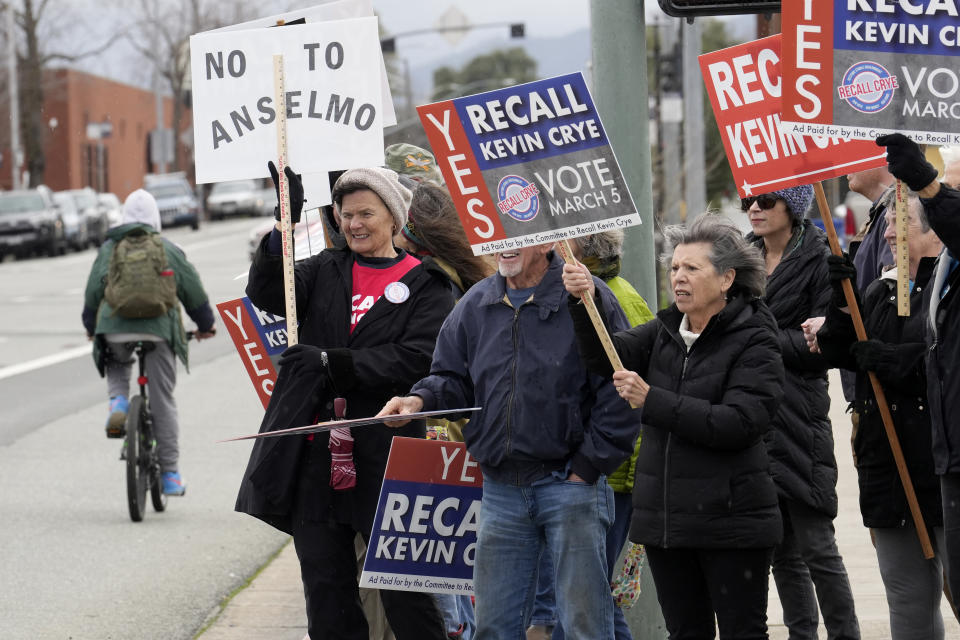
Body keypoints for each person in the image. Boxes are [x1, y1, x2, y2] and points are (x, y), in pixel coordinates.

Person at [234, 164, 455, 640]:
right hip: (318, 458)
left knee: (405, 592)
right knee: (326, 590)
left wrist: (333, 363)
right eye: (346, 213)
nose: (354, 223)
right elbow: (268, 290)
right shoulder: (325, 271)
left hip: (389, 457)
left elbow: (417, 358)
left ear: (394, 219)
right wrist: (283, 221)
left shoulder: (428, 284)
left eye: (366, 214)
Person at [378, 241, 637, 640]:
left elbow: (622, 389)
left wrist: (586, 469)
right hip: (501, 489)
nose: (504, 246)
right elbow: (453, 378)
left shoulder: (587, 296)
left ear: (548, 241)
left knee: (585, 626)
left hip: (570, 486)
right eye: (496, 236)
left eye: (516, 235)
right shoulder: (476, 302)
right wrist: (419, 399)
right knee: (495, 627)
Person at [561, 213, 784, 639]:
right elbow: (605, 357)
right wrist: (582, 300)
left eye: (692, 269)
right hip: (668, 523)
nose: (678, 278)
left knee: (744, 631)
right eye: (674, 268)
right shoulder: (664, 329)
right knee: (685, 632)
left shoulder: (756, 336)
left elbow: (740, 422)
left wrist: (652, 400)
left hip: (733, 523)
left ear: (726, 279)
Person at [817, 185, 946, 639]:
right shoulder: (880, 289)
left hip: (942, 467)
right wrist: (839, 294)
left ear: (934, 229)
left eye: (899, 222)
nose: (888, 232)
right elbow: (836, 351)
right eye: (888, 222)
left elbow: (943, 361)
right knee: (907, 603)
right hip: (889, 468)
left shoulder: (948, 289)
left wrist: (897, 361)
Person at [744, 185, 861, 640]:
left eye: (766, 201)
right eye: (748, 200)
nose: (754, 208)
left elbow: (824, 346)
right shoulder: (741, 255)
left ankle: (845, 634)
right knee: (779, 549)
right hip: (752, 413)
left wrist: (757, 342)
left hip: (799, 411)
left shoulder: (820, 255)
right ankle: (801, 634)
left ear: (792, 208)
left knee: (816, 542)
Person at [527, 230, 654, 640]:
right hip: (592, 472)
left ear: (582, 250)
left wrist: (593, 466)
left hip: (608, 475)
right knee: (584, 596)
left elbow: (629, 387)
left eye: (560, 242)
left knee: (587, 598)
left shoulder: (614, 296)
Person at [81, 188, 216, 495]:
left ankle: (118, 402)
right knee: (162, 400)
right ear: (156, 219)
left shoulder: (110, 248)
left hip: (114, 327)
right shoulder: (167, 248)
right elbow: (192, 292)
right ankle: (169, 475)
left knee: (116, 362)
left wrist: (92, 327)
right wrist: (206, 325)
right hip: (159, 331)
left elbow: (92, 292)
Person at [876, 133, 960, 607]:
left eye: (953, 193)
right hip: (947, 454)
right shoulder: (949, 265)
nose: (943, 204)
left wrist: (927, 184)